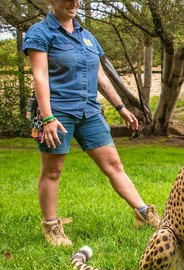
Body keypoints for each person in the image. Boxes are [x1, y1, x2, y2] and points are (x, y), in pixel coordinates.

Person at [22, 0, 160, 247]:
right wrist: (47, 117)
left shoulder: (87, 37)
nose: (73, 3)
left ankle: (142, 213)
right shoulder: (41, 33)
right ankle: (51, 226)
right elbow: (39, 75)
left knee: (114, 165)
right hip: (58, 112)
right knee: (53, 170)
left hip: (89, 111)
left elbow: (101, 78)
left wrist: (121, 107)